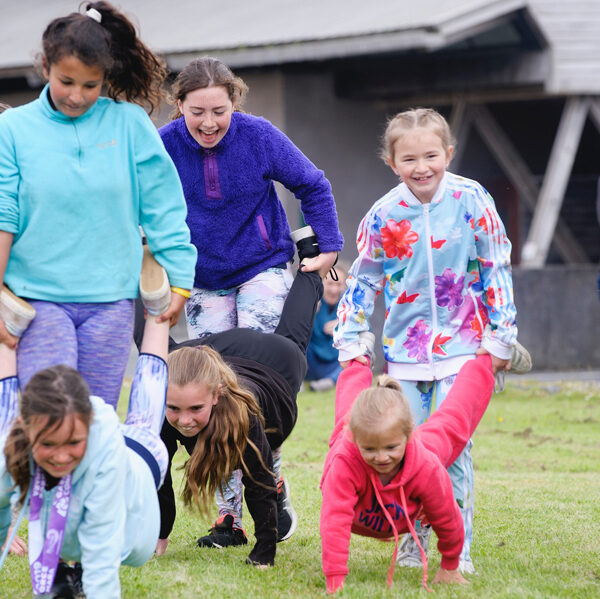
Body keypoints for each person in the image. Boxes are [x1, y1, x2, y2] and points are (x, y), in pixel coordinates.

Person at [334, 107, 529, 572]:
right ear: (392, 162)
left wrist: (502, 335)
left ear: (448, 153)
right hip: (404, 355)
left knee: (453, 451)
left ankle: (455, 549)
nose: (421, 168)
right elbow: (364, 279)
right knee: (406, 451)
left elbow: (494, 268)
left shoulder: (472, 200)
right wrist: (351, 335)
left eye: (431, 156)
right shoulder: (383, 214)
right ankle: (409, 538)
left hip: (465, 347)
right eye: (409, 159)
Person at [0, 1, 196, 408]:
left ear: (105, 77)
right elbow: (4, 216)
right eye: (65, 81)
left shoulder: (129, 125)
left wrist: (179, 276)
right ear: (45, 68)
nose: (77, 95)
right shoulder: (13, 129)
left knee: (99, 418)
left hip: (110, 300)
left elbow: (162, 206)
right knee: (51, 415)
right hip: (37, 299)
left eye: (90, 85)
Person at [0, 253, 172, 599]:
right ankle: (7, 333)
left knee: (146, 417)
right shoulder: (16, 443)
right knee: (6, 420)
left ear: (88, 427)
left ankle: (157, 312)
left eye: (71, 443)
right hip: (49, 436)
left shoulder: (104, 448)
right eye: (48, 444)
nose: (61, 456)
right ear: (31, 433)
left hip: (133, 480)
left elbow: (101, 557)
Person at [151, 246, 325, 567]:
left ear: (216, 394)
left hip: (274, 362)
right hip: (218, 351)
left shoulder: (242, 418)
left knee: (293, 337)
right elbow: (158, 473)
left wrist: (264, 553)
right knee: (157, 349)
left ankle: (312, 262)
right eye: (175, 410)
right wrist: (160, 536)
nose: (184, 421)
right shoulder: (170, 402)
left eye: (194, 410)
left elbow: (259, 482)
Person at [159, 55, 343, 338]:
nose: (209, 123)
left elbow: (313, 185)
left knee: (260, 359)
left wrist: (329, 247)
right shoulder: (163, 146)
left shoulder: (258, 136)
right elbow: (134, 200)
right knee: (216, 371)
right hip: (202, 277)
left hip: (262, 266)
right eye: (197, 112)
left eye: (219, 111)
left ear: (233, 101)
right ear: (180, 104)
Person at [320, 354, 498, 593]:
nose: (381, 458)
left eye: (391, 448)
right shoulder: (345, 458)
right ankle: (357, 360)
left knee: (453, 421)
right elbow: (334, 522)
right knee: (348, 407)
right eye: (370, 449)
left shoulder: (426, 463)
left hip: (416, 466)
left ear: (408, 435)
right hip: (355, 480)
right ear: (356, 441)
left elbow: (447, 516)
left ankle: (487, 363)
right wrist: (335, 579)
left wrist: (449, 566)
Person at [306, 261, 349, 392]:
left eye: (339, 284)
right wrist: (306, 313)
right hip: (311, 361)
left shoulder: (349, 307)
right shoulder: (312, 301)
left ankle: (329, 382)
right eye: (330, 283)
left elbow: (365, 335)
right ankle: (297, 380)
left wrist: (344, 326)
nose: (334, 290)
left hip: (336, 364)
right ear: (322, 283)